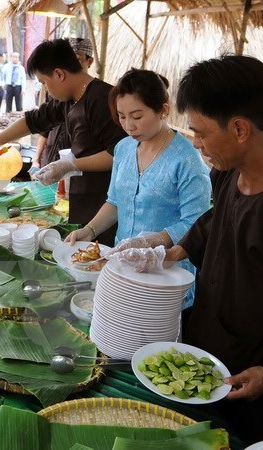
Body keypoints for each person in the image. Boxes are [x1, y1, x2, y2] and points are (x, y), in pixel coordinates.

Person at [164, 54, 263, 445]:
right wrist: (170, 251)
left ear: (239, 129)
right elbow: (216, 223)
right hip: (201, 354)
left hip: (254, 380)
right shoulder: (227, 173)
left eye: (199, 132)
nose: (195, 144)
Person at [65, 68, 211, 308]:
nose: (128, 126)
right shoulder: (124, 148)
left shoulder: (186, 159)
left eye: (137, 116)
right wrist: (90, 231)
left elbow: (197, 223)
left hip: (166, 273)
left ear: (163, 110)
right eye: (121, 116)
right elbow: (115, 201)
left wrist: (151, 240)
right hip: (123, 266)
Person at [0, 39, 126, 246]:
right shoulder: (68, 99)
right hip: (82, 199)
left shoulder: (102, 99)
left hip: (107, 207)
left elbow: (119, 154)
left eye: (43, 82)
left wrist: (70, 165)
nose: (44, 88)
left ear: (59, 74)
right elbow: (34, 120)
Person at [31, 38, 93, 173]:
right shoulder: (60, 96)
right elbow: (38, 123)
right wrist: (36, 160)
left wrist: (70, 165)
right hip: (52, 158)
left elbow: (113, 153)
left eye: (77, 59)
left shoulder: (97, 99)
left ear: (89, 61)